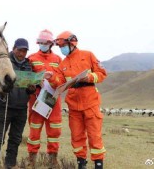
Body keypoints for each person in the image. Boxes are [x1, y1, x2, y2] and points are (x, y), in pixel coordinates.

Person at [44, 31, 107, 169]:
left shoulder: (88, 55)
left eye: (63, 45)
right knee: (76, 137)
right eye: (60, 47)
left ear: (72, 43)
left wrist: (89, 77)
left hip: (90, 102)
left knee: (94, 135)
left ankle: (98, 164)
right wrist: (51, 77)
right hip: (73, 104)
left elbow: (102, 73)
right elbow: (59, 83)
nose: (61, 49)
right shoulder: (63, 64)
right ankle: (81, 164)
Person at [0, 38, 36, 169]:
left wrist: (31, 88)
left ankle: (10, 165)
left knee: (15, 140)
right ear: (14, 48)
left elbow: (29, 88)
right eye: (20, 50)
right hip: (5, 106)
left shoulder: (28, 64)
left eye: (25, 51)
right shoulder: (4, 61)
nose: (22, 53)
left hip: (21, 109)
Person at [26, 29, 62, 169]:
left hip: (54, 101)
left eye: (44, 42)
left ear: (50, 43)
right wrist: (36, 81)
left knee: (55, 131)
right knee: (34, 130)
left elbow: (62, 80)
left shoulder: (58, 59)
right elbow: (27, 79)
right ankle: (31, 159)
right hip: (36, 100)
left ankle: (53, 160)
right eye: (39, 42)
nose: (41, 44)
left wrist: (52, 78)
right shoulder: (32, 58)